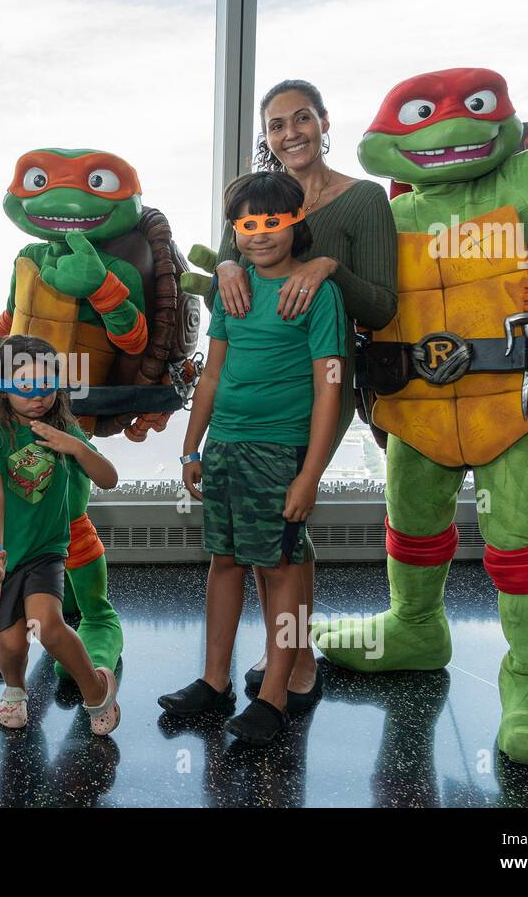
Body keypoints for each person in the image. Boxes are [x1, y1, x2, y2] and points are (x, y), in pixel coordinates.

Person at [190, 79, 397, 706]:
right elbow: (233, 295)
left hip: (319, 386)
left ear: (324, 122)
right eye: (276, 125)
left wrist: (328, 266)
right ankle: (286, 646)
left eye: (301, 119)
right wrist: (225, 265)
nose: (290, 134)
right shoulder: (257, 198)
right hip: (251, 388)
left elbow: (382, 306)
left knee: (286, 524)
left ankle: (296, 656)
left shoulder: (363, 200)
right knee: (263, 538)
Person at [159, 172, 346, 745]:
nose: (260, 233)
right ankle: (214, 681)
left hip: (280, 451)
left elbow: (329, 390)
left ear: (296, 224)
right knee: (225, 561)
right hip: (224, 446)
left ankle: (274, 697)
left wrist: (309, 475)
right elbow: (211, 375)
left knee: (280, 568)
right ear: (235, 231)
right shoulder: (231, 290)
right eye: (247, 224)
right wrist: (191, 447)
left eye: (272, 222)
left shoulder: (318, 294)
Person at [0, 335, 122, 735]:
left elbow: (108, 478)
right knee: (11, 643)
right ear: (3, 386)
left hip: (45, 550)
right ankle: (15, 689)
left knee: (48, 626)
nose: (38, 396)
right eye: (25, 385)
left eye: (47, 384)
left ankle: (97, 690)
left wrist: (75, 446)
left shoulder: (63, 427)